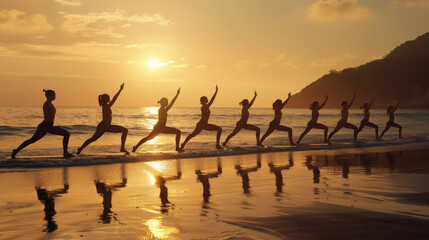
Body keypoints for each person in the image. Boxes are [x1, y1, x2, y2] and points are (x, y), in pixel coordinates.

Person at [11, 90, 73, 159]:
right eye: (53, 95)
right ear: (49, 96)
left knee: (32, 140)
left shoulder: (50, 103)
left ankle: (16, 151)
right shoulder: (46, 104)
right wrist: (49, 124)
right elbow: (47, 116)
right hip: (45, 126)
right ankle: (65, 153)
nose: (55, 96)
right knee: (32, 140)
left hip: (47, 126)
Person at [77, 83, 129, 154]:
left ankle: (80, 149)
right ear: (105, 99)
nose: (109, 99)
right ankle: (122, 148)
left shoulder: (106, 106)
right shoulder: (106, 106)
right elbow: (114, 99)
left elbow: (113, 99)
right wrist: (120, 90)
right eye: (108, 98)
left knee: (93, 139)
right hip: (104, 126)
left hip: (104, 126)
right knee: (125, 130)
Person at [181, 85, 222, 150]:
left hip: (203, 124)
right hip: (202, 124)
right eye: (206, 99)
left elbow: (211, 100)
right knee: (193, 135)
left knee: (192, 135)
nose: (207, 99)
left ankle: (183, 144)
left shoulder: (205, 106)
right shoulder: (205, 107)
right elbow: (212, 100)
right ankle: (217, 145)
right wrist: (216, 91)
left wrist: (216, 92)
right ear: (204, 101)